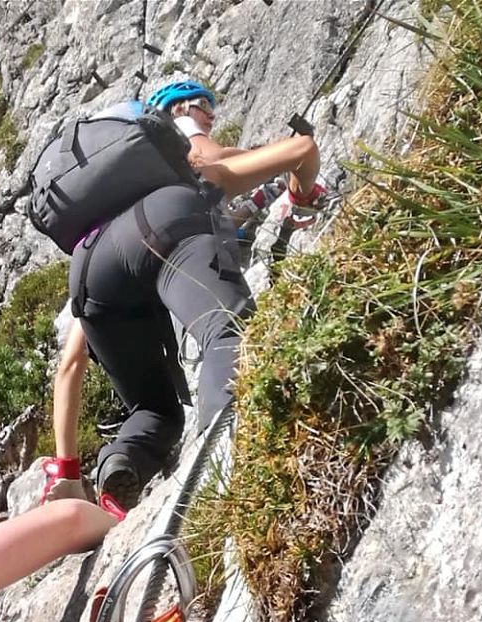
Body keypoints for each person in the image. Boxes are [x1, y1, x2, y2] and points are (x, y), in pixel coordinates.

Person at [41, 76, 327, 514]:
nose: (211, 115)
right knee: (225, 332)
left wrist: (65, 468)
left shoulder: (100, 213)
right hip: (163, 223)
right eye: (202, 106)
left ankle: (123, 461)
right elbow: (302, 150)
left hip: (89, 270)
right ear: (174, 114)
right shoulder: (190, 150)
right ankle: (229, 469)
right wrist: (300, 195)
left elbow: (70, 366)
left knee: (153, 410)